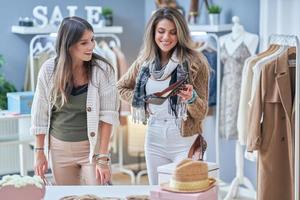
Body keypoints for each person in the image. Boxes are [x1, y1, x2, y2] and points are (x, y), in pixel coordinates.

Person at [117, 7, 210, 185]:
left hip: (185, 140)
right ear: (153, 32)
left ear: (180, 34)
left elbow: (201, 113)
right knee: (158, 193)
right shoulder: (144, 61)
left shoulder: (196, 62)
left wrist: (191, 99)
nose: (166, 38)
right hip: (154, 138)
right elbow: (121, 87)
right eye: (161, 31)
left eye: (173, 33)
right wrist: (144, 102)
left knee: (184, 193)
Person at [31, 16, 119, 185]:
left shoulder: (103, 70)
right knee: (68, 196)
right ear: (69, 45)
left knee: (98, 195)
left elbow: (108, 116)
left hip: (92, 148)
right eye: (84, 42)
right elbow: (39, 114)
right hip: (59, 149)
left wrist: (103, 157)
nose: (92, 46)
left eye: (92, 40)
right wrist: (39, 153)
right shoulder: (49, 70)